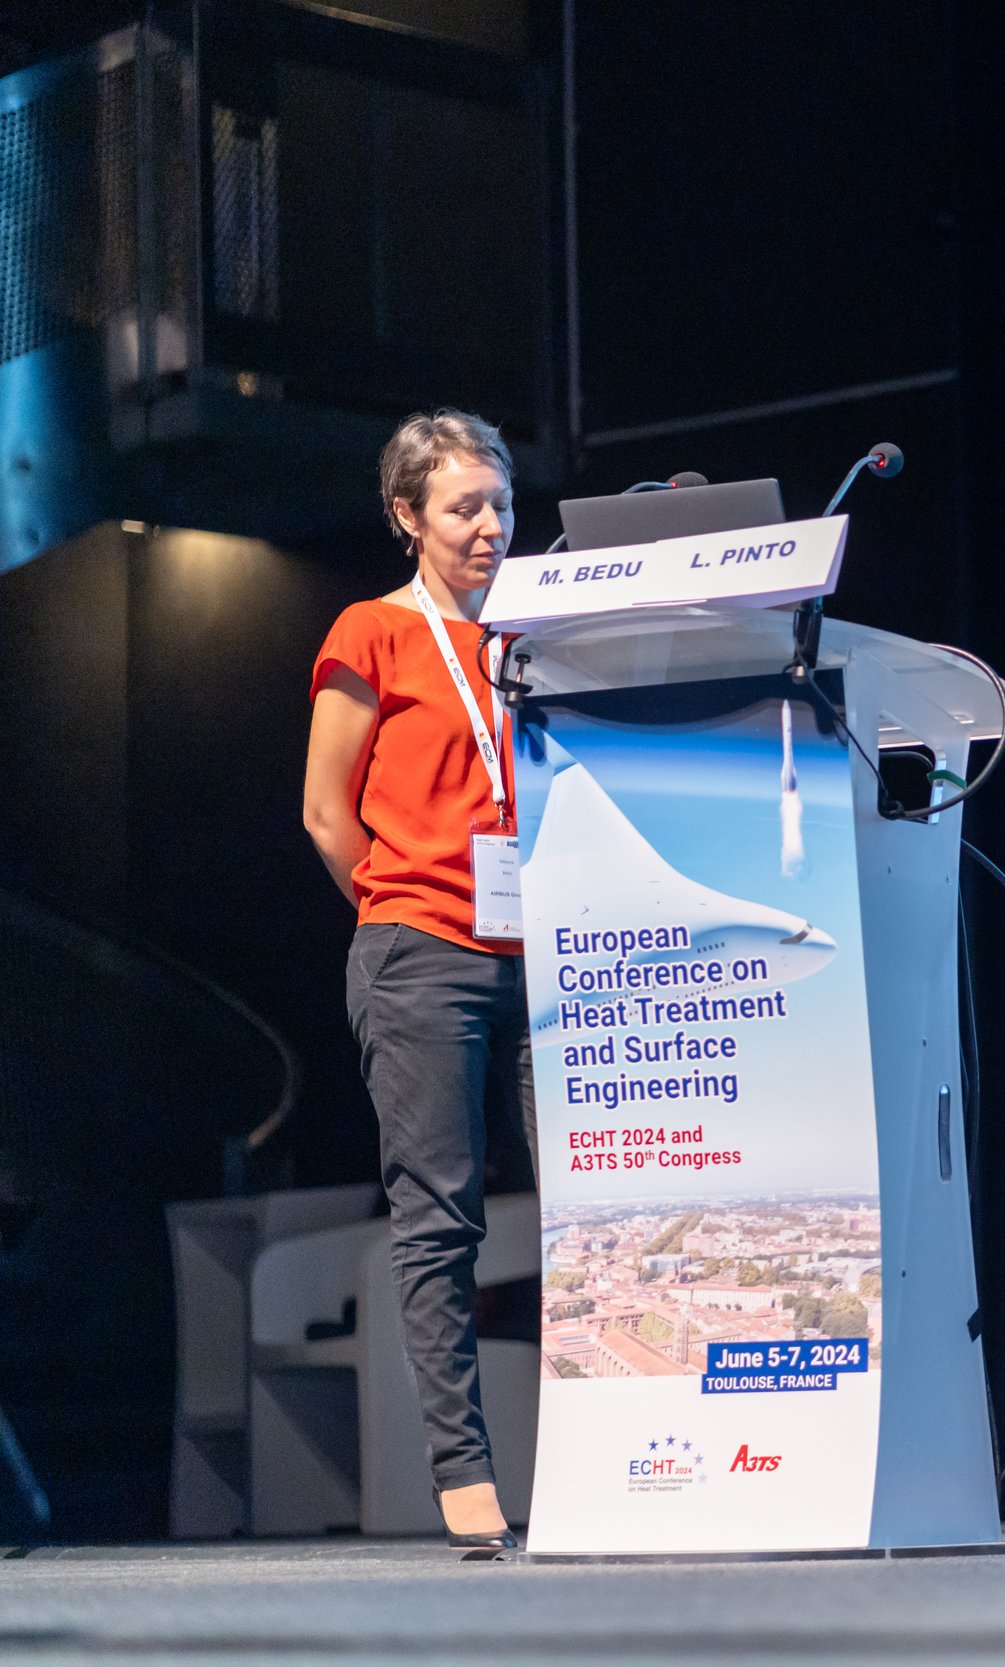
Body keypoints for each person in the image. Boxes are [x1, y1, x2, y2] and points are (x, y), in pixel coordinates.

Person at [302, 409, 534, 1551]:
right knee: (440, 1217)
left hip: (551, 952)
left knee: (601, 1203)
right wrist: (402, 909)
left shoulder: (536, 631)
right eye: (464, 507)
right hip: (422, 950)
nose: (491, 526)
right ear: (407, 517)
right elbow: (324, 812)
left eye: (500, 502)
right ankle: (463, 1472)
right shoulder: (371, 633)